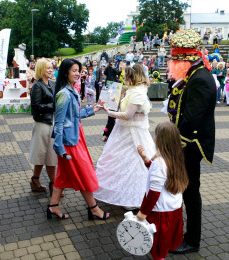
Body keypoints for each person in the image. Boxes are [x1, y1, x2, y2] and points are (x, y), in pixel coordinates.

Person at [166, 29, 216, 254]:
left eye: (175, 60)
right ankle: (183, 233)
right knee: (186, 190)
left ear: (186, 59)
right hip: (185, 142)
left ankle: (192, 240)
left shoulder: (200, 79)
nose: (172, 65)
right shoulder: (193, 75)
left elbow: (192, 118)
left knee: (190, 192)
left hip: (191, 144)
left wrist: (172, 143)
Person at [48, 58, 109, 220]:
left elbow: (74, 117)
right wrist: (59, 147)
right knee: (84, 173)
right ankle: (94, 208)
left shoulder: (72, 91)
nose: (77, 73)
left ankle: (53, 206)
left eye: (78, 70)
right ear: (65, 72)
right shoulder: (64, 94)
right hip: (69, 142)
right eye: (74, 70)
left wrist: (92, 110)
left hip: (75, 136)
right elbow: (59, 122)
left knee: (62, 176)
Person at [94, 64, 156, 209]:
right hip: (125, 131)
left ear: (133, 76)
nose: (124, 78)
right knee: (123, 163)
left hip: (133, 133)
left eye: (126, 75)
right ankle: (125, 193)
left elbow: (128, 115)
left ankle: (135, 197)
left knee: (134, 164)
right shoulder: (134, 90)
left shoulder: (137, 93)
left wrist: (110, 112)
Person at [136, 122, 188, 260]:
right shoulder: (175, 157)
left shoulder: (160, 163)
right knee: (165, 244)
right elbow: (161, 175)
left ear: (160, 140)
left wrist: (143, 212)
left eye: (156, 135)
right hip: (174, 209)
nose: (154, 138)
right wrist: (146, 159)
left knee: (158, 249)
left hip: (160, 213)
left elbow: (154, 193)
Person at [28, 58, 57, 195]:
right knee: (47, 156)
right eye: (48, 68)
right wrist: (53, 107)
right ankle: (53, 185)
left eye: (51, 67)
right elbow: (35, 107)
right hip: (42, 124)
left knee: (46, 155)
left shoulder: (51, 84)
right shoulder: (37, 86)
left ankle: (35, 180)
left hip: (50, 123)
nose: (51, 70)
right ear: (41, 69)